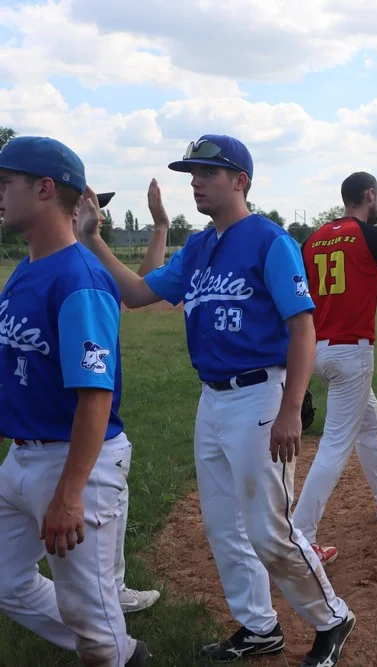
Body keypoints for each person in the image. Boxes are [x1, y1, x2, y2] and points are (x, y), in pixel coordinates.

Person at [75, 134, 355, 666]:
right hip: (213, 400)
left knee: (269, 528)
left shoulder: (270, 241)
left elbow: (302, 328)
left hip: (260, 396)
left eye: (207, 172)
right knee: (225, 526)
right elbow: (136, 294)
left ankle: (333, 618)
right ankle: (259, 626)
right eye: (192, 174)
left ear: (240, 180)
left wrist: (292, 406)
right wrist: (92, 240)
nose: (195, 182)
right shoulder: (199, 248)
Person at [0, 136, 149, 666]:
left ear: (44, 189)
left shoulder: (80, 280)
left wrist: (70, 493)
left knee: (89, 612)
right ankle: (116, 646)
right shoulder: (24, 271)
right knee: (7, 581)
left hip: (73, 460)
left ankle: (111, 650)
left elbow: (95, 396)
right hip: (21, 457)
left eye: (5, 182)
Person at [292, 172, 377, 563]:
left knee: (369, 419)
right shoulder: (368, 234)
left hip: (317, 348)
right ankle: (301, 535)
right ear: (369, 195)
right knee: (335, 444)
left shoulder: (314, 238)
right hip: (352, 351)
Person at [85, 188, 163, 615]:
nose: (101, 216)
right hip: (83, 423)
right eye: (94, 207)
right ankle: (103, 609)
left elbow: (140, 288)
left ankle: (112, 592)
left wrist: (160, 228)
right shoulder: (79, 270)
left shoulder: (90, 265)